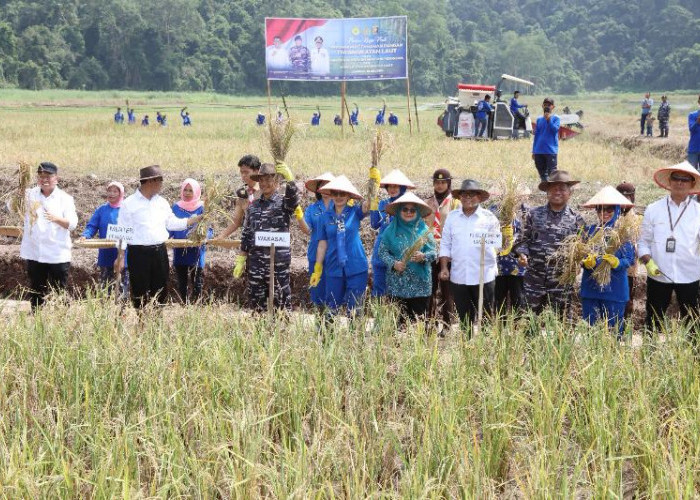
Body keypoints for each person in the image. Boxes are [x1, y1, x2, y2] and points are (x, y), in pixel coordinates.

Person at [115, 165, 203, 309]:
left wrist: (194, 219)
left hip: (159, 252)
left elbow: (172, 222)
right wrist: (119, 256)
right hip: (138, 253)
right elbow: (122, 232)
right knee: (139, 290)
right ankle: (142, 319)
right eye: (160, 181)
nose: (161, 185)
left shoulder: (161, 202)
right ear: (151, 182)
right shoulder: (129, 204)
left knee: (161, 288)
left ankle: (157, 321)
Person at [639, 161, 700, 332]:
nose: (680, 182)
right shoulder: (653, 209)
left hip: (690, 275)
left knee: (692, 323)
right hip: (659, 274)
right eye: (676, 178)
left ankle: (693, 358)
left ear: (692, 184)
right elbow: (643, 242)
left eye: (685, 179)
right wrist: (648, 262)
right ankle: (649, 356)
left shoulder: (698, 212)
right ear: (669, 182)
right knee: (652, 320)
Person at [516, 170, 584, 316]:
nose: (557, 192)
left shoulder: (576, 219)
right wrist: (522, 254)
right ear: (547, 192)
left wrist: (579, 262)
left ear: (569, 193)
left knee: (562, 324)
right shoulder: (533, 214)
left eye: (562, 189)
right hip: (534, 279)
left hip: (562, 282)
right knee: (528, 322)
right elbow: (522, 240)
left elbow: (583, 248)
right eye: (553, 188)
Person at [438, 179, 501, 335]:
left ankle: (486, 349)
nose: (468, 198)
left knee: (486, 316)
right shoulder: (452, 217)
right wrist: (444, 267)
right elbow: (445, 243)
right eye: (464, 194)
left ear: (479, 197)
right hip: (459, 275)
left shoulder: (489, 217)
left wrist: (489, 246)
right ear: (459, 197)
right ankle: (467, 349)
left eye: (472, 194)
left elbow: (498, 244)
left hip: (483, 275)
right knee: (464, 317)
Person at [235, 162, 299, 311]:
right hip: (256, 264)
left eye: (269, 179)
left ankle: (281, 332)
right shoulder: (253, 206)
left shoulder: (284, 203)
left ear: (276, 182)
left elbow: (293, 202)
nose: (264, 184)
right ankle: (260, 332)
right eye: (261, 180)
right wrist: (241, 258)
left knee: (281, 303)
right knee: (257, 304)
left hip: (278, 264)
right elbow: (247, 234)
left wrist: (290, 182)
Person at [310, 173, 375, 315]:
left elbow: (369, 204)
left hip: (356, 267)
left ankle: (355, 337)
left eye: (342, 193)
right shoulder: (324, 217)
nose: (339, 197)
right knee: (331, 309)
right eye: (335, 193)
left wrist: (374, 182)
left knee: (355, 311)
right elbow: (322, 244)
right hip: (333, 267)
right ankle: (328, 337)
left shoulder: (355, 212)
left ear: (348, 196)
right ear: (331, 195)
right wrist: (318, 267)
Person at [19, 162, 78, 310]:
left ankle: (61, 319)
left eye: (48, 176)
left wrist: (56, 218)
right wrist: (18, 193)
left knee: (59, 290)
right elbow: (13, 207)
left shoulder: (65, 198)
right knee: (36, 289)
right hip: (34, 252)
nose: (44, 179)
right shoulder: (29, 194)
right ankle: (36, 319)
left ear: (56, 179)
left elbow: (72, 224)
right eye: (41, 176)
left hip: (57, 253)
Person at [578, 186, 636, 338]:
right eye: (600, 209)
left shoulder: (623, 232)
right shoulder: (589, 231)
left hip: (615, 290)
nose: (604, 213)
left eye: (609, 210)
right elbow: (580, 255)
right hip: (591, 289)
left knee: (614, 333)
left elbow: (630, 259)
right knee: (591, 333)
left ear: (617, 210)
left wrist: (617, 263)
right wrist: (586, 262)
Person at [378, 192, 437, 323]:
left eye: (412, 210)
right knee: (398, 323)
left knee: (419, 323)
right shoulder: (390, 230)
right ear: (399, 211)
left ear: (417, 212)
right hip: (397, 285)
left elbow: (434, 253)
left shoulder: (424, 230)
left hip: (420, 286)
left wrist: (423, 256)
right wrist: (394, 263)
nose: (408, 212)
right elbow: (382, 252)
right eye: (405, 209)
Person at [370, 169, 415, 298]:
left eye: (395, 186)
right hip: (381, 250)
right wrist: (373, 205)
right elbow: (374, 224)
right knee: (379, 288)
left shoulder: (409, 206)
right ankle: (380, 316)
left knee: (397, 291)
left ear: (402, 187)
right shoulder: (383, 204)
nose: (392, 189)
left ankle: (395, 317)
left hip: (399, 252)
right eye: (390, 186)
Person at [424, 168, 460, 330]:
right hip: (430, 252)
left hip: (449, 253)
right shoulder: (427, 203)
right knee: (430, 288)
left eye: (443, 182)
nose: (439, 185)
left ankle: (447, 324)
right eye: (437, 182)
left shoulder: (455, 203)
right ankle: (430, 323)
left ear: (448, 183)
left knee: (448, 291)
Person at [80, 181, 128, 298]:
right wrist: (86, 235)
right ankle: (105, 313)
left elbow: (131, 230)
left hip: (123, 255)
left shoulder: (127, 210)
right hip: (105, 255)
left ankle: (121, 314)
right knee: (105, 288)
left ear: (121, 193)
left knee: (122, 288)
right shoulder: (102, 210)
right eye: (109, 191)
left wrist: (122, 256)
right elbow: (92, 226)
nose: (111, 194)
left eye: (115, 191)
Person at [170, 178, 211, 304]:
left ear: (197, 192)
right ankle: (183, 304)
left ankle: (196, 305)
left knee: (197, 280)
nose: (187, 193)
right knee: (182, 281)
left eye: (190, 190)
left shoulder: (203, 208)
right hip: (180, 249)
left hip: (197, 251)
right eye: (185, 190)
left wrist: (205, 236)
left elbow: (209, 228)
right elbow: (170, 226)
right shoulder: (176, 207)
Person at [304, 173, 335, 308]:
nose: (325, 189)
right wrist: (299, 217)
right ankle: (319, 325)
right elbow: (307, 230)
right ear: (318, 189)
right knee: (317, 291)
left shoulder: (341, 205)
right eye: (322, 185)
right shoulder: (312, 209)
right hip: (315, 254)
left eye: (328, 185)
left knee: (334, 292)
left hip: (335, 254)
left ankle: (331, 326)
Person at [493, 200, 528, 315]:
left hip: (518, 266)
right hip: (498, 266)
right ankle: (498, 330)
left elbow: (528, 237)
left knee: (519, 300)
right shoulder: (493, 213)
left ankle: (519, 329)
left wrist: (523, 254)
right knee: (498, 301)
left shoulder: (524, 213)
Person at [219, 155, 262, 239]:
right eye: (241, 172)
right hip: (248, 240)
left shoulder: (265, 191)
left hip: (265, 238)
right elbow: (236, 221)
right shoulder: (242, 194)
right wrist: (221, 236)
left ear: (257, 171)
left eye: (246, 172)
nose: (243, 175)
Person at [616, 181, 639, 319]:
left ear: (633, 198)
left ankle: (623, 331)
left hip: (629, 270)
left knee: (627, 300)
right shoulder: (609, 215)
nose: (624, 202)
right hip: (612, 266)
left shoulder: (636, 220)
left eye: (628, 198)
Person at [531, 97, 560, 182]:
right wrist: (534, 151)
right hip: (539, 151)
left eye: (549, 105)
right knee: (542, 174)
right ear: (542, 106)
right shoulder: (539, 119)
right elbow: (536, 136)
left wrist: (549, 120)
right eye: (545, 104)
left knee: (552, 173)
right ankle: (547, 191)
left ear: (553, 107)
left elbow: (554, 130)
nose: (547, 106)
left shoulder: (556, 118)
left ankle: (554, 191)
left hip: (550, 151)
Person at [688, 94, 700, 170]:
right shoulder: (692, 115)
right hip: (694, 148)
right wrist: (697, 122)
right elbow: (691, 129)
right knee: (692, 173)